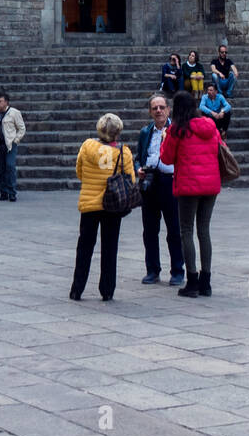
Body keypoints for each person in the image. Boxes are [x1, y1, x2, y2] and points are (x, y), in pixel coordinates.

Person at [160, 90, 220, 299]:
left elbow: (166, 159)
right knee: (204, 231)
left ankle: (192, 280)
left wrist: (164, 139)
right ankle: (206, 282)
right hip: (210, 185)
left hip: (188, 186)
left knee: (186, 230)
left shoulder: (177, 129)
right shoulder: (210, 126)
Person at [70, 113, 137, 302]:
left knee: (84, 247)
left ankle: (77, 289)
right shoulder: (123, 152)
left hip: (89, 204)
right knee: (110, 248)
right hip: (112, 205)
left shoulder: (87, 146)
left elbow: (80, 172)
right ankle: (107, 290)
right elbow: (130, 180)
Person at [136, 94, 184, 287]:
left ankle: (178, 271)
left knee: (174, 229)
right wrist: (138, 168)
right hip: (149, 180)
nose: (158, 111)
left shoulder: (176, 131)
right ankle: (152, 270)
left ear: (168, 109)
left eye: (161, 107)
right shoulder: (145, 132)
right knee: (149, 230)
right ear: (150, 111)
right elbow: (139, 155)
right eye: (154, 108)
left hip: (169, 180)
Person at [0, 91, 26, 202]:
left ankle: (12, 192)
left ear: (6, 102)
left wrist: (15, 140)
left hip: (10, 144)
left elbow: (22, 128)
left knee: (10, 167)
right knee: (1, 169)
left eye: (0, 101)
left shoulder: (14, 113)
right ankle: (3, 192)